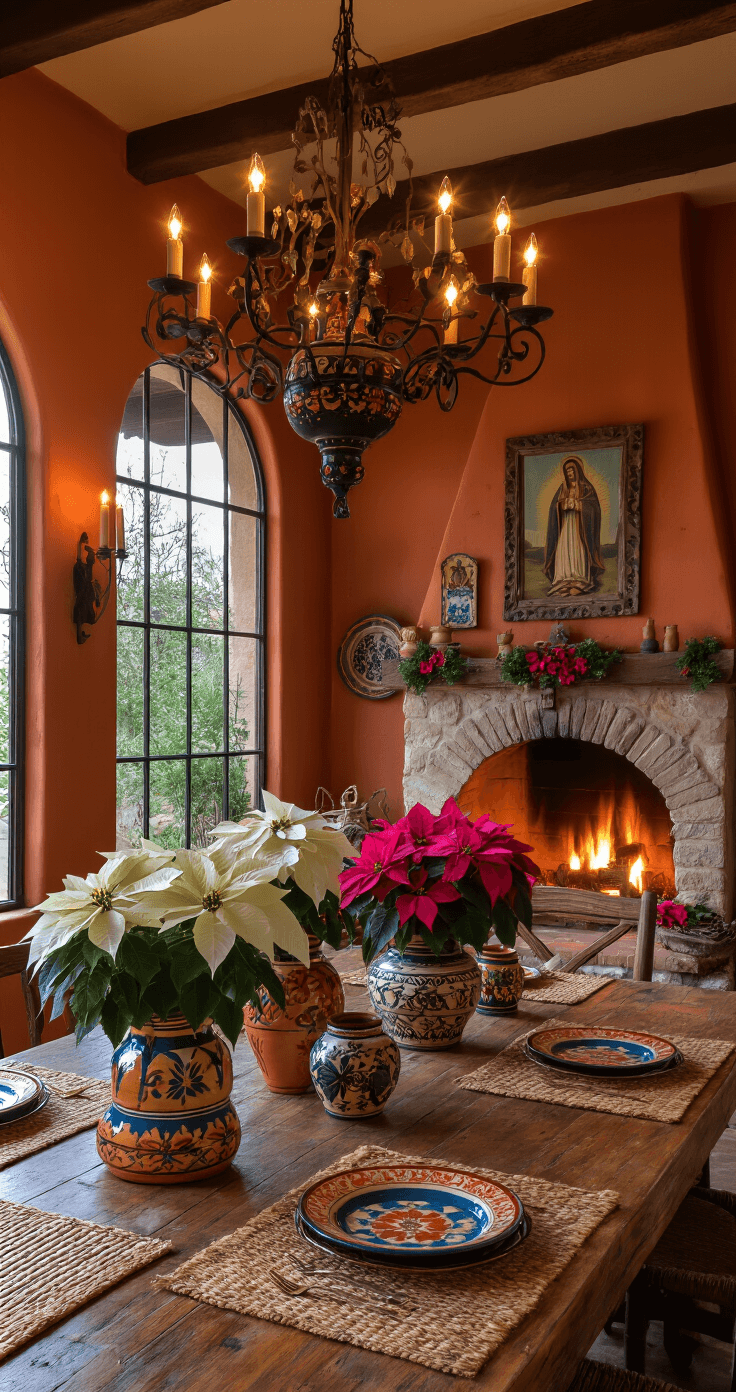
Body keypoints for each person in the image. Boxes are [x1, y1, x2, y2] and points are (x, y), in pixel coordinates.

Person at [543, 456, 604, 597]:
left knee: (578, 549)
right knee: (564, 549)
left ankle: (579, 580)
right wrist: (561, 505)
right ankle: (564, 581)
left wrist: (578, 505)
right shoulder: (563, 488)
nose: (569, 473)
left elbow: (594, 509)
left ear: (578, 470)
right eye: (567, 471)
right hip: (565, 525)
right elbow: (553, 508)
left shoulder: (586, 488)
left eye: (572, 470)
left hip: (579, 527)